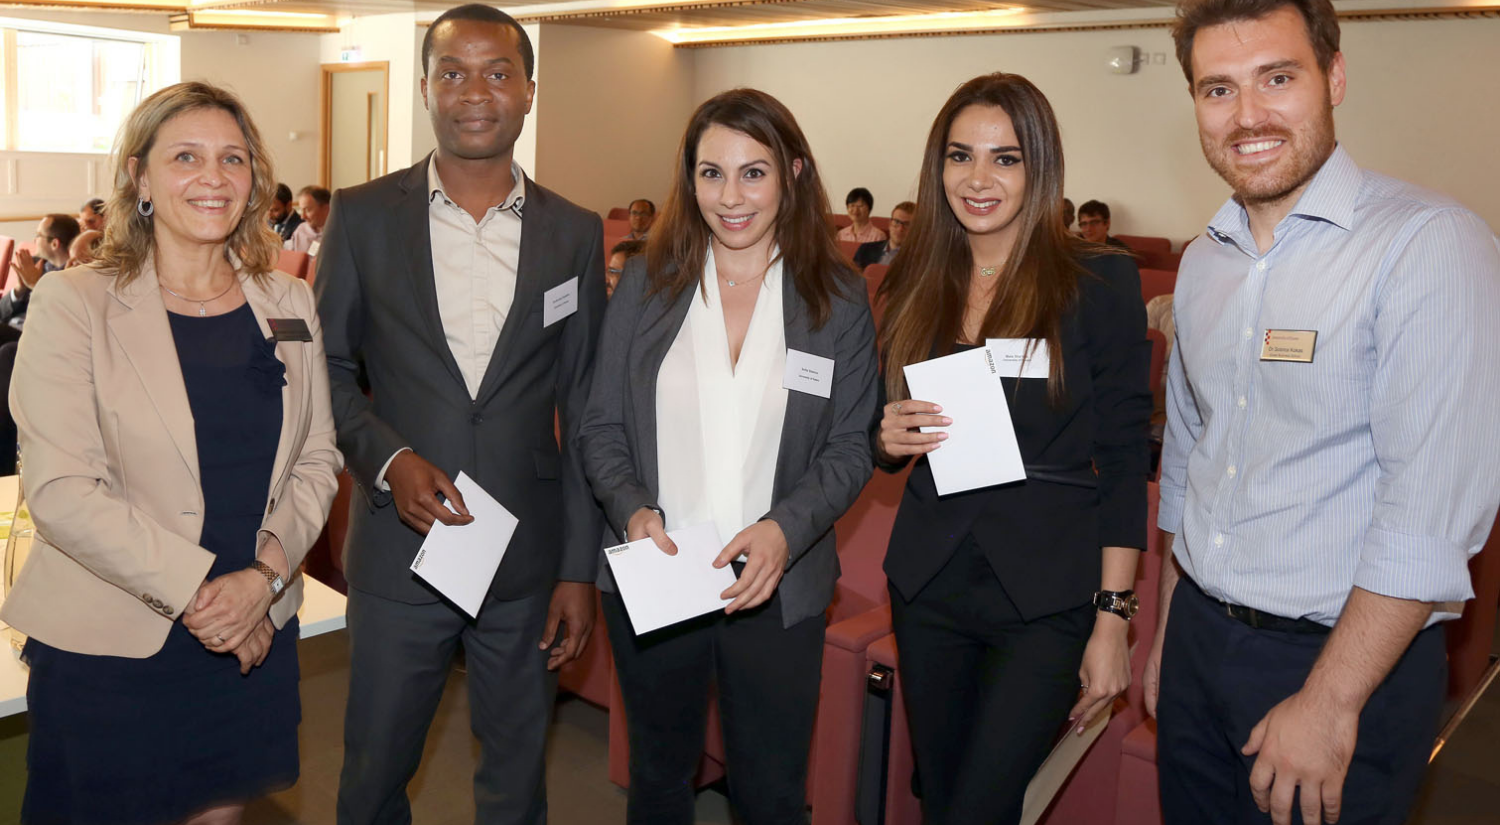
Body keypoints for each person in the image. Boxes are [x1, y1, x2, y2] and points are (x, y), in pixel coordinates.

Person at [1145, 2, 1500, 824]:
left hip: (1339, 661)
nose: (1248, 117)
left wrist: (1330, 701)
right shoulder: (1204, 264)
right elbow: (1195, 465)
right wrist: (1170, 633)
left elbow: (1431, 514)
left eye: (1278, 78)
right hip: (1200, 637)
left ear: (1334, 77)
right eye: (1218, 89)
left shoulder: (1428, 244)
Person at [2, 80, 341, 825]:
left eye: (233, 158)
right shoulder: (75, 304)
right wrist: (204, 595)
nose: (213, 177)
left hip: (251, 628)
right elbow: (60, 488)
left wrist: (264, 580)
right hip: (116, 636)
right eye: (185, 156)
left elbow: (318, 456)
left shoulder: (287, 302)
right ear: (139, 176)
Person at [316, 6, 605, 823]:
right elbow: (326, 369)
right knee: (373, 775)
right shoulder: (365, 215)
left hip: (526, 558)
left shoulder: (574, 233)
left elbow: (584, 406)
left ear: (529, 91)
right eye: (452, 72)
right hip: (401, 549)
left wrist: (579, 568)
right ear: (424, 90)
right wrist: (386, 457)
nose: (475, 92)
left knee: (517, 780)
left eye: (497, 72)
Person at [580, 88, 877, 825]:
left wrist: (785, 529)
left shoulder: (836, 295)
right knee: (657, 780)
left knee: (771, 795)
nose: (731, 196)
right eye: (711, 173)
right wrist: (631, 508)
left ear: (795, 173)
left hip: (777, 582)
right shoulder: (650, 280)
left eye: (754, 172)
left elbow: (848, 445)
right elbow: (601, 424)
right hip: (662, 570)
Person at [873, 73, 1150, 825]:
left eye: (1006, 157)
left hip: (1046, 594)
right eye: (961, 156)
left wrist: (1113, 618)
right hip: (929, 580)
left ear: (1041, 167)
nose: (979, 178)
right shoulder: (916, 276)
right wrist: (885, 435)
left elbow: (1126, 457)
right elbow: (885, 421)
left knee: (985, 805)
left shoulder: (1099, 278)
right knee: (941, 792)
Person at [2, 214, 81, 340]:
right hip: (11, 328)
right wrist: (19, 289)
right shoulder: (33, 263)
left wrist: (36, 286)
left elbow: (59, 321)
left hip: (37, 337)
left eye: (38, 235)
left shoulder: (73, 275)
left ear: (54, 244)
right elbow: (1, 313)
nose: (34, 240)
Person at [853, 200, 915, 270]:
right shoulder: (865, 249)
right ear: (889, 224)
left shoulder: (919, 259)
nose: (900, 229)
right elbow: (851, 278)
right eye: (897, 222)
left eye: (907, 224)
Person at [286, 185, 329, 253]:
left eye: (307, 210)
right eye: (301, 210)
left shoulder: (340, 233)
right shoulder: (300, 231)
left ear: (326, 208)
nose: (302, 216)